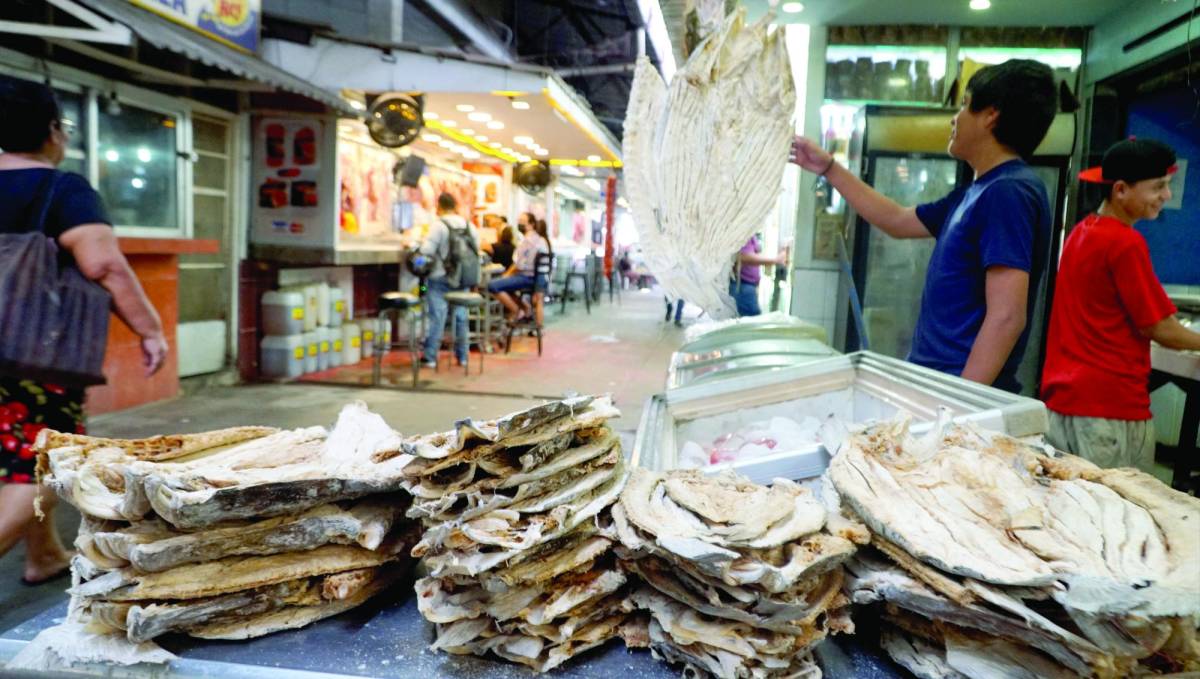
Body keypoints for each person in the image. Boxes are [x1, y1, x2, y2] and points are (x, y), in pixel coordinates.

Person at [790, 59, 1057, 393]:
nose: (954, 118)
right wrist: (829, 167)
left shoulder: (1009, 192)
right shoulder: (976, 192)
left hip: (956, 391)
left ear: (991, 115)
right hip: (936, 383)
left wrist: (957, 407)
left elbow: (1007, 316)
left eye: (964, 105)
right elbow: (898, 220)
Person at [0, 78, 168, 585]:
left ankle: (43, 553)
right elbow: (104, 266)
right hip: (28, 353)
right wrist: (149, 328)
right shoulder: (60, 189)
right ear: (53, 131)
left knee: (18, 453)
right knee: (42, 465)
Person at [1040, 139, 1200, 469]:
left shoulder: (1081, 233)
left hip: (1065, 404)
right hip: (1108, 411)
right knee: (1120, 513)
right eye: (1158, 187)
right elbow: (1159, 327)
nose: (1166, 196)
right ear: (1121, 190)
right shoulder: (1125, 242)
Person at [419, 192, 480, 368]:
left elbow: (426, 252)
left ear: (439, 206)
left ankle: (430, 357)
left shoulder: (439, 225)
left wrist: (416, 259)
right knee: (461, 317)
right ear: (455, 206)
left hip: (440, 278)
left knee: (438, 317)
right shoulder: (469, 226)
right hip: (462, 279)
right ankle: (463, 357)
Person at [489, 214, 551, 324]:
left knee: (492, 285)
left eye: (522, 221)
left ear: (531, 224)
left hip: (527, 277)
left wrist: (507, 275)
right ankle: (525, 309)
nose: (520, 224)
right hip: (536, 278)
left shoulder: (528, 242)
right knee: (506, 287)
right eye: (519, 221)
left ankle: (517, 310)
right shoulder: (541, 240)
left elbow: (520, 265)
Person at [729, 235, 788, 317]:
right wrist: (775, 260)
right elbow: (742, 256)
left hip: (746, 286)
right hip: (742, 287)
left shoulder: (750, 234)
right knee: (749, 324)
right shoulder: (743, 233)